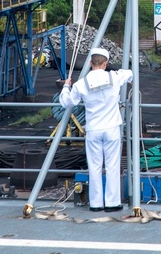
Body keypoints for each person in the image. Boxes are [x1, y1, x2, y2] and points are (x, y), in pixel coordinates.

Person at [58, 47, 133, 212]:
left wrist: (65, 87)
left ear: (91, 63)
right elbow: (129, 74)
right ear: (105, 64)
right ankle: (113, 203)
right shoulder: (114, 77)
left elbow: (67, 103)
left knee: (95, 166)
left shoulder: (81, 84)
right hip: (112, 128)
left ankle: (96, 203)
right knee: (113, 165)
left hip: (93, 129)